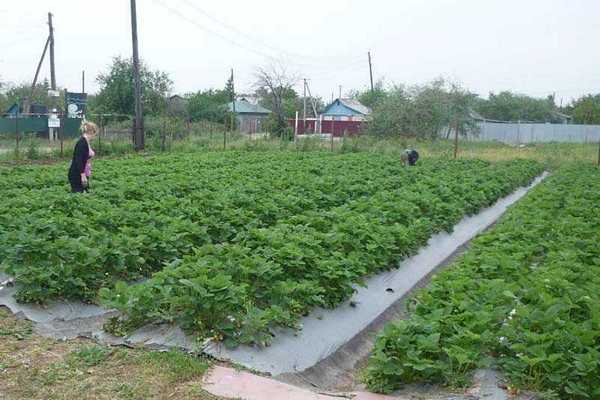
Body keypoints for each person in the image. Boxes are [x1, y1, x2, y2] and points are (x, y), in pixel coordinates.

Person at [68, 121, 97, 193]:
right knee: (78, 195)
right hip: (77, 174)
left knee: (85, 194)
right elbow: (78, 160)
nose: (95, 135)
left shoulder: (86, 142)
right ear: (91, 132)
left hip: (83, 173)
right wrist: (83, 175)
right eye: (95, 133)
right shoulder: (82, 142)